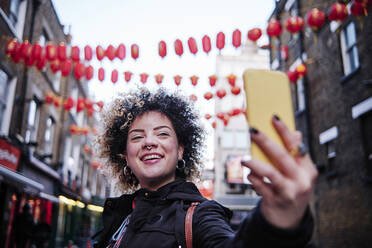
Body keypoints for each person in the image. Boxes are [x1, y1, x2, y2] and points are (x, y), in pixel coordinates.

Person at [94, 87, 318, 248]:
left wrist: (279, 222)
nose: (149, 142)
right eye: (137, 137)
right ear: (124, 154)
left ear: (181, 150)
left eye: (162, 133)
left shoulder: (201, 214)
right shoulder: (120, 214)